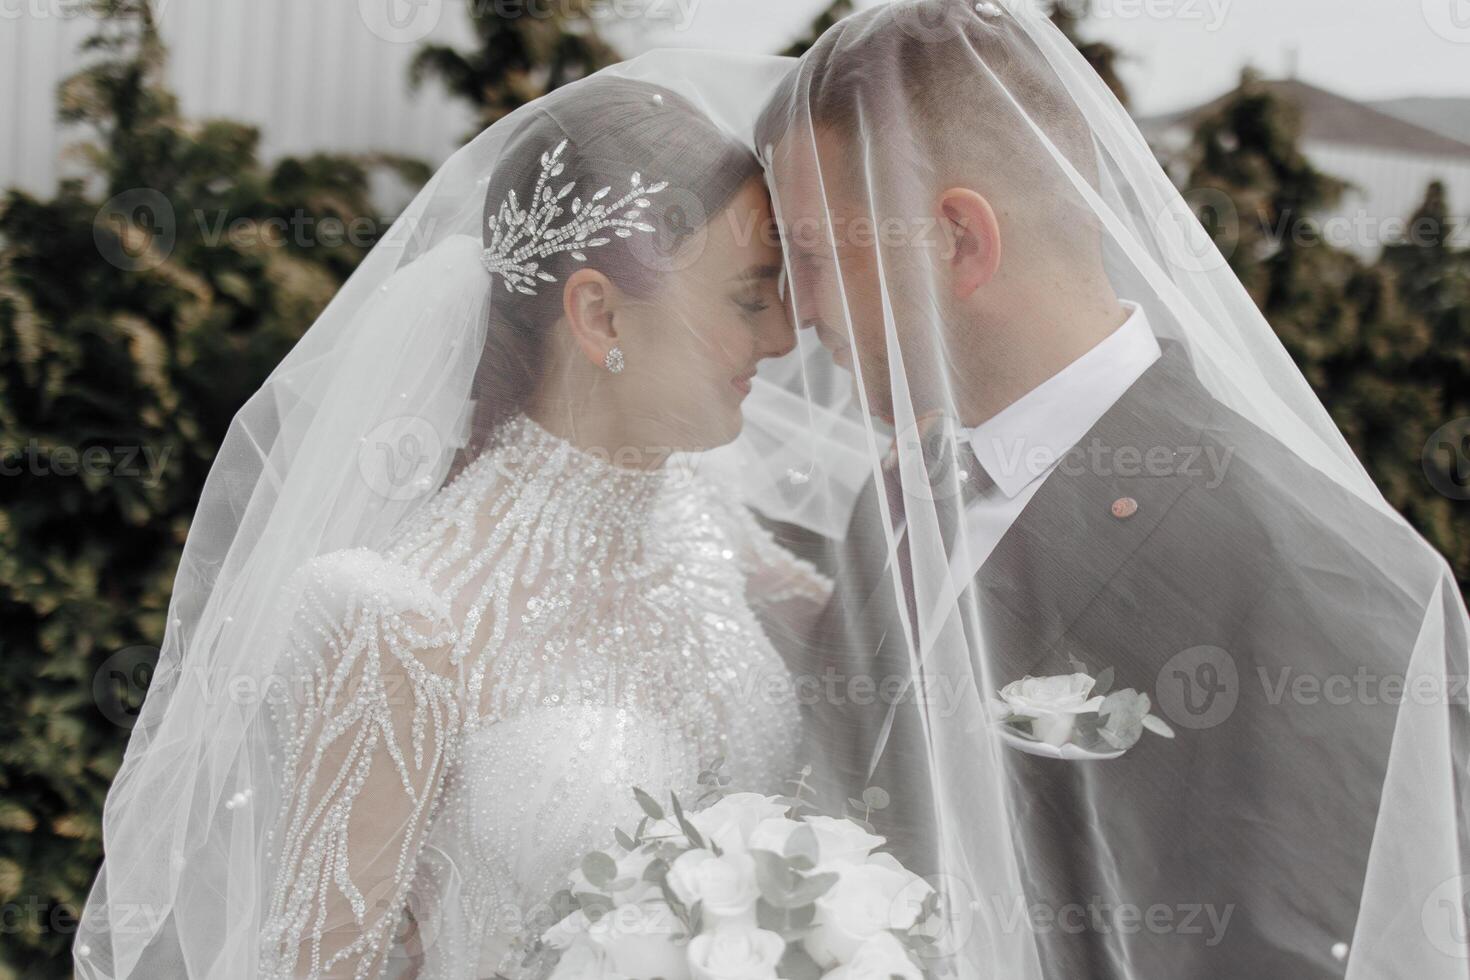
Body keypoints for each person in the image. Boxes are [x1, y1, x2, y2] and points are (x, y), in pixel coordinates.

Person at [755, 1, 1467, 978]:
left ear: (961, 240)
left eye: (815, 258)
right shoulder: (895, 500)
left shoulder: (1310, 568)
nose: (796, 315)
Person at [75, 71, 831, 980]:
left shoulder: (714, 517)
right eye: (750, 298)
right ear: (598, 314)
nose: (787, 337)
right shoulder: (397, 616)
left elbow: (909, 657)